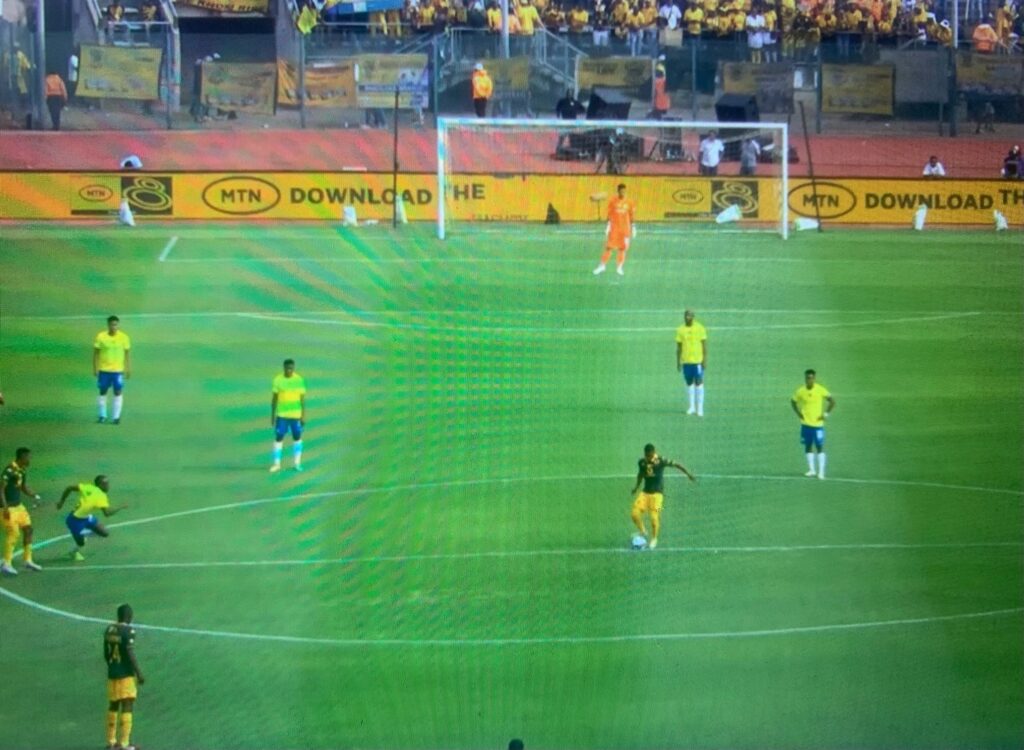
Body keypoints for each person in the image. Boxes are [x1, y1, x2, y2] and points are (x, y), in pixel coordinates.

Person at [630, 443, 696, 549]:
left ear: (654, 453)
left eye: (651, 455)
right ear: (645, 454)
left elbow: (677, 465)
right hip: (645, 493)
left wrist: (688, 474)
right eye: (647, 456)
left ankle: (654, 538)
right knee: (634, 514)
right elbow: (640, 475)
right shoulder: (642, 462)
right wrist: (636, 487)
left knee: (654, 517)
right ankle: (643, 531)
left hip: (657, 495)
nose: (649, 458)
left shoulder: (661, 460)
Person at [55, 475, 125, 561]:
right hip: (74, 521)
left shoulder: (88, 488)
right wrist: (120, 507)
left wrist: (61, 502)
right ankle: (73, 552)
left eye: (108, 483)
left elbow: (69, 488)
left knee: (105, 533)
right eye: (105, 484)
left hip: (87, 517)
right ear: (99, 485)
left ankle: (83, 533)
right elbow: (107, 513)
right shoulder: (101, 496)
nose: (108, 486)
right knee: (81, 543)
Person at [104, 603, 145, 750]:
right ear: (128, 616)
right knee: (127, 705)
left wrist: (112, 666)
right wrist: (138, 672)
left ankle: (111, 742)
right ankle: (124, 744)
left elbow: (106, 653)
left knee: (113, 705)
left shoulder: (110, 630)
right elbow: (129, 652)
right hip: (125, 674)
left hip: (112, 673)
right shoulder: (128, 631)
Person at [0, 447, 43, 575]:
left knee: (28, 530)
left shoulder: (22, 470)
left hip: (19, 506)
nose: (30, 460)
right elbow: (0, 489)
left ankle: (27, 560)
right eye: (28, 457)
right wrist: (5, 507)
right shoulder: (9, 470)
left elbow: (23, 487)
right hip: (8, 508)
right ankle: (6, 564)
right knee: (13, 534)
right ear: (22, 457)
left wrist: (34, 495)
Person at [790, 368, 835, 480]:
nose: (809, 380)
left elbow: (832, 401)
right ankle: (812, 470)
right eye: (807, 378)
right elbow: (793, 401)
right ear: (805, 378)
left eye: (811, 378)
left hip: (817, 425)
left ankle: (821, 472)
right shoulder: (801, 391)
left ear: (814, 378)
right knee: (808, 446)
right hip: (805, 424)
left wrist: (825, 415)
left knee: (819, 447)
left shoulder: (820, 389)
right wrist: (798, 413)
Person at [271, 358, 307, 473]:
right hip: (282, 415)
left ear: (293, 368)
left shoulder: (299, 380)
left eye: (291, 368)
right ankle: (276, 464)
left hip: (295, 416)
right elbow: (274, 399)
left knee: (297, 437)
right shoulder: (277, 380)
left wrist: (303, 415)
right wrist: (272, 415)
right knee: (279, 437)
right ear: (284, 368)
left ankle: (297, 463)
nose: (289, 370)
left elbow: (302, 400)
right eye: (287, 368)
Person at [94, 315, 131, 424]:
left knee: (118, 391)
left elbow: (127, 354)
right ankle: (102, 415)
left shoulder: (124, 337)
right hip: (104, 370)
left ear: (118, 325)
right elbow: (96, 353)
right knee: (103, 391)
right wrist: (95, 368)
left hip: (117, 371)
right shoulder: (101, 337)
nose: (114, 327)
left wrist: (128, 368)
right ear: (108, 325)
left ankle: (116, 417)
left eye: (115, 325)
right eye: (111, 325)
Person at [593, 183, 636, 276]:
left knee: (622, 249)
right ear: (618, 191)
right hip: (614, 228)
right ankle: (602, 266)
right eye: (621, 191)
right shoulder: (613, 201)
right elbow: (609, 214)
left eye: (624, 191)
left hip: (625, 229)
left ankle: (619, 267)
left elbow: (631, 215)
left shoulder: (630, 202)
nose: (623, 193)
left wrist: (633, 226)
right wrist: (608, 225)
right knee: (609, 247)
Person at [675, 309, 707, 416]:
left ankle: (700, 409)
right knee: (689, 383)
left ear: (693, 317)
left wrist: (704, 360)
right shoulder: (680, 329)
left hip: (697, 362)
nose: (687, 317)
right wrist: (678, 362)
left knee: (699, 382)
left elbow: (704, 345)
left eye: (689, 316)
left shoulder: (700, 328)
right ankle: (692, 407)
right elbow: (679, 348)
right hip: (686, 362)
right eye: (686, 315)